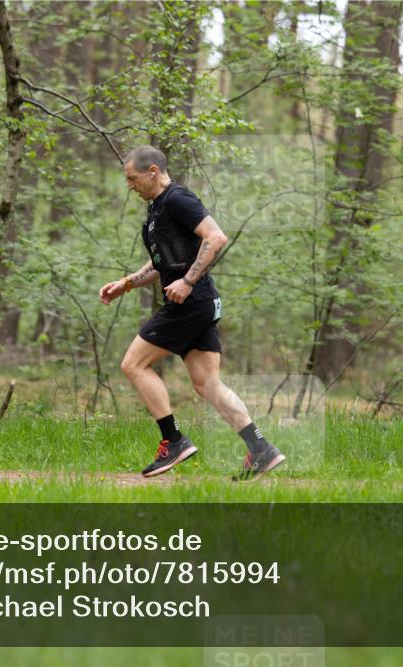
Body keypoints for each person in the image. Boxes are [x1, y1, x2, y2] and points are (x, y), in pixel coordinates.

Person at [99, 145, 285, 481]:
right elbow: (162, 265)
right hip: (198, 302)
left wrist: (186, 281)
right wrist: (126, 283)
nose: (130, 185)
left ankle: (173, 440)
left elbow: (216, 238)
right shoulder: (158, 209)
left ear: (153, 171)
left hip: (190, 301)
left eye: (133, 178)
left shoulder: (177, 199)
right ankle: (261, 450)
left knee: (133, 364)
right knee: (207, 384)